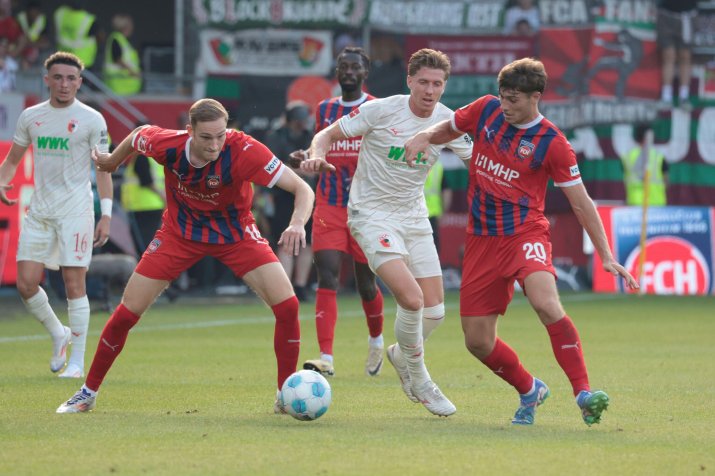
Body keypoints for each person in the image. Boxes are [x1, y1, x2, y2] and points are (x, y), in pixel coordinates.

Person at [404, 57, 639, 426]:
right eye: (503, 97)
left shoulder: (553, 143)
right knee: (477, 341)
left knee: (546, 303)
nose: (506, 106)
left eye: (514, 99)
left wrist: (606, 255)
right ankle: (530, 389)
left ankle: (583, 393)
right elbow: (449, 127)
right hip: (482, 239)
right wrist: (425, 135)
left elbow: (581, 202)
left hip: (525, 233)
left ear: (536, 97)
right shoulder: (486, 110)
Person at [56, 98, 314, 414]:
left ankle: (284, 396)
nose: (215, 144)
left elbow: (303, 190)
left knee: (287, 307)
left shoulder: (245, 150)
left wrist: (298, 224)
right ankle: (87, 393)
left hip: (235, 234)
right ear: (189, 131)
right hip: (179, 235)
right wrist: (112, 162)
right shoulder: (169, 144)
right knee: (127, 312)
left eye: (221, 135)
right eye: (206, 137)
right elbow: (138, 135)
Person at [300, 48, 473, 417]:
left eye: (437, 84)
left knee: (437, 312)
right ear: (409, 81)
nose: (429, 90)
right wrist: (316, 154)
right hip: (371, 215)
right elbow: (327, 134)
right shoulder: (382, 110)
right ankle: (421, 379)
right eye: (423, 82)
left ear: (445, 86)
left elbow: (480, 161)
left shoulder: (448, 122)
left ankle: (397, 353)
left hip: (414, 217)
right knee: (412, 300)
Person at [0, 51, 112, 379]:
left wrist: (105, 214)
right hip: (40, 211)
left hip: (76, 211)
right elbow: (13, 159)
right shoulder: (31, 117)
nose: (64, 84)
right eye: (58, 78)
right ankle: (58, 332)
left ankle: (77, 363)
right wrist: (2, 180)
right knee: (26, 283)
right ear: (46, 80)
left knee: (73, 283)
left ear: (80, 82)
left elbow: (103, 168)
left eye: (71, 78)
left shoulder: (92, 119)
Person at [294, 46, 386, 378]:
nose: (348, 71)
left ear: (365, 72)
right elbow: (321, 147)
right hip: (329, 205)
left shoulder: (376, 108)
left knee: (366, 285)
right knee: (327, 275)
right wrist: (305, 158)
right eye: (343, 66)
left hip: (365, 207)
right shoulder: (325, 109)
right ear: (336, 71)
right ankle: (326, 357)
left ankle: (376, 340)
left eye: (355, 67)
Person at [265, 101, 315, 302]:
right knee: (285, 241)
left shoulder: (309, 136)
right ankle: (286, 288)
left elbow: (317, 161)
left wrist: (303, 169)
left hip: (308, 194)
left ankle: (301, 285)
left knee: (307, 242)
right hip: (282, 195)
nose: (301, 125)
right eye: (298, 121)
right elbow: (271, 165)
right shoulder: (276, 137)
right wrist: (298, 170)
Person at [657, 0, 698, 108]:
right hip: (666, 14)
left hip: (687, 16)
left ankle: (684, 97)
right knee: (668, 55)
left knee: (685, 56)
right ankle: (666, 97)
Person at [621, 123, 668, 206]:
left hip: (634, 203)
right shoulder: (659, 157)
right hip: (656, 205)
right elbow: (666, 181)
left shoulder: (627, 157)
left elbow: (625, 178)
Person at [53, 1, 100, 70]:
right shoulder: (87, 19)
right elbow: (100, 37)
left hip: (63, 60)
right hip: (83, 61)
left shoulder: (60, 14)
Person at [103, 13, 141, 96]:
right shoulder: (116, 39)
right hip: (119, 83)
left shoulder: (123, 40)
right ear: (126, 27)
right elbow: (118, 59)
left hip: (126, 84)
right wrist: (132, 72)